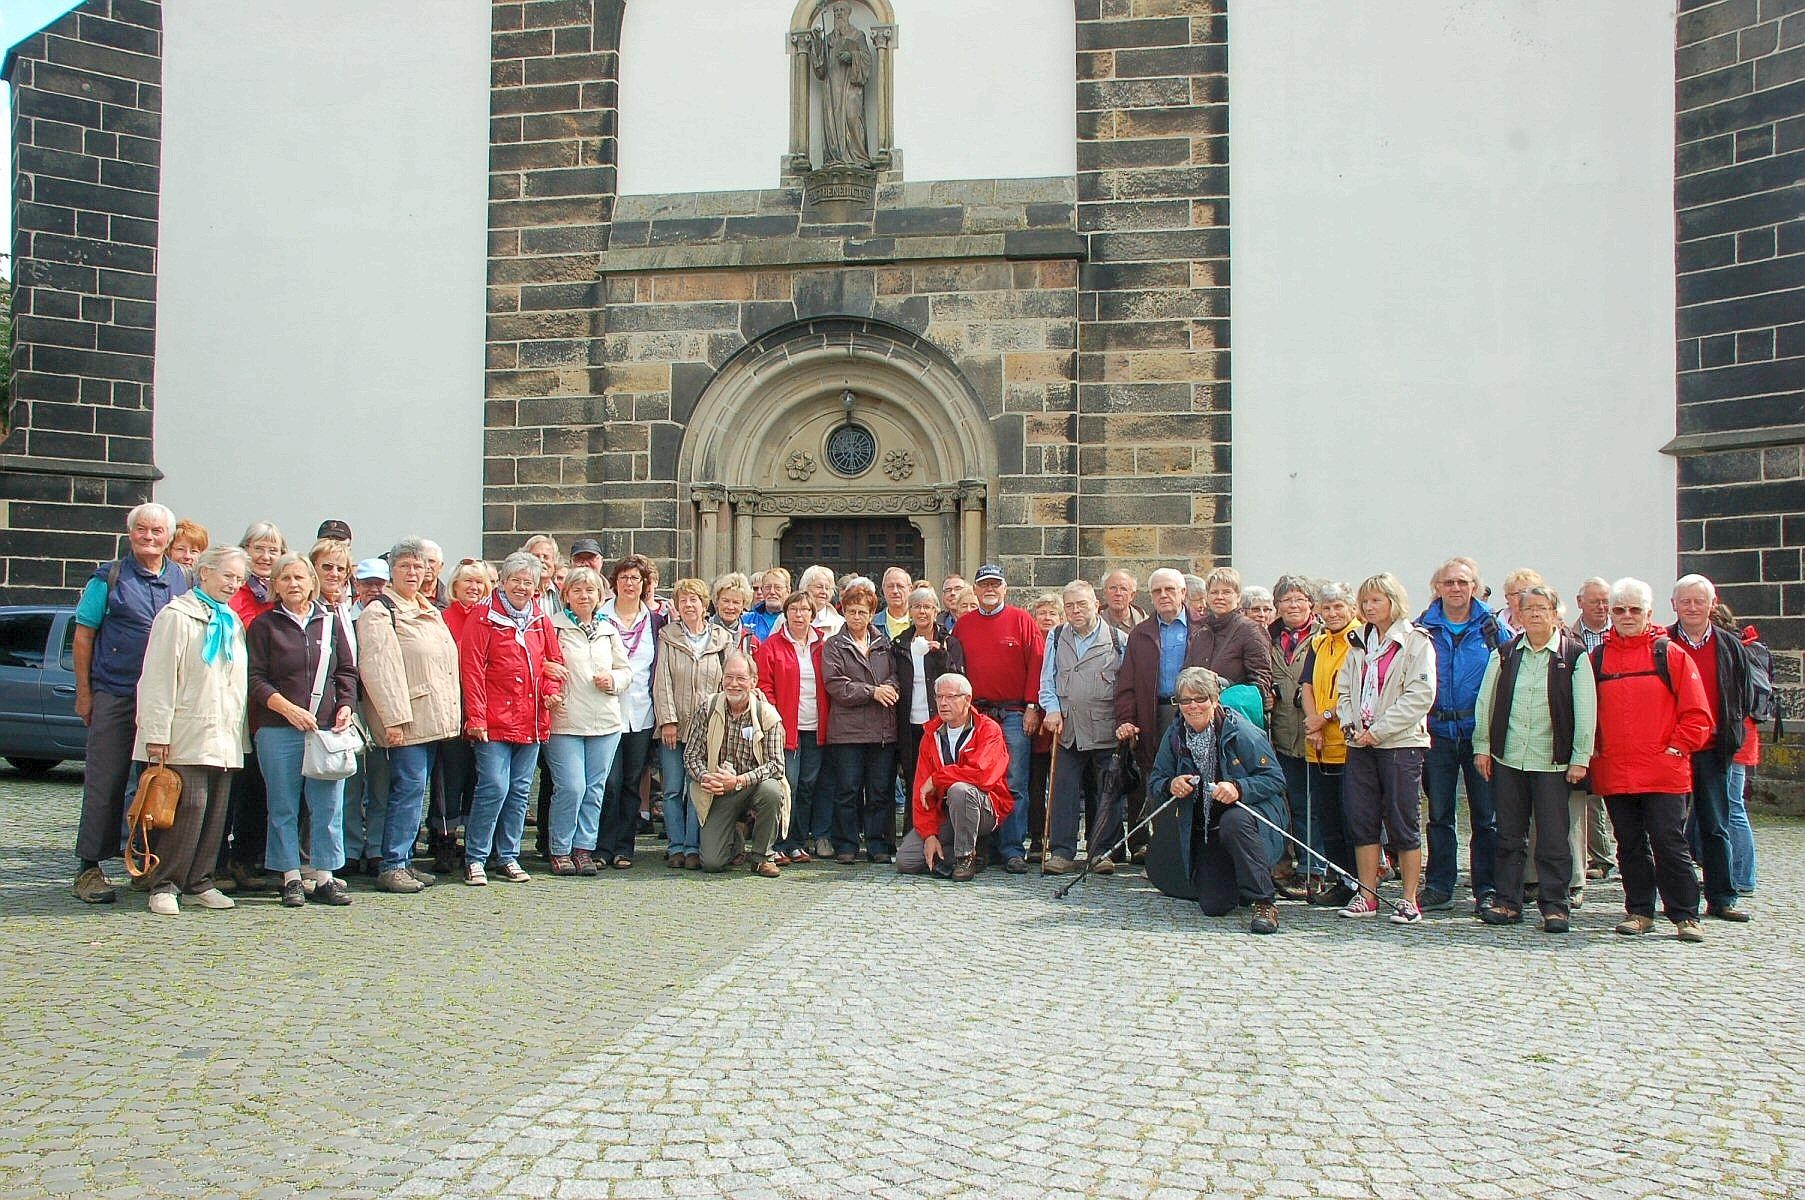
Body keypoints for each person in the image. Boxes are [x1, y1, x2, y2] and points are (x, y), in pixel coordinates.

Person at [70, 502, 192, 904]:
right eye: (142, 530)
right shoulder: (109, 578)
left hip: (165, 701)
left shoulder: (184, 579)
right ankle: (90, 867)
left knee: (159, 784)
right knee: (106, 781)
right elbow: (84, 636)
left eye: (158, 532)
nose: (150, 537)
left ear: (169, 538)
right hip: (117, 693)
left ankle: (147, 862)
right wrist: (85, 694)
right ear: (130, 534)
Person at [1591, 577, 1713, 942]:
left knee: (1669, 842)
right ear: (1610, 613)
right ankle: (1639, 910)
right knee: (1628, 844)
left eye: (1634, 609)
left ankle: (1685, 915)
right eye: (1619, 609)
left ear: (1649, 612)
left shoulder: (1670, 654)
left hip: (1663, 770)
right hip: (1616, 768)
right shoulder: (1598, 658)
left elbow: (1698, 714)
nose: (1626, 616)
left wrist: (1677, 747)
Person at [134, 545, 251, 916]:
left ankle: (199, 881)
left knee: (216, 810)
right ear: (204, 573)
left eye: (239, 578)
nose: (233, 584)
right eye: (227, 576)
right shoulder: (176, 616)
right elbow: (158, 677)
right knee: (186, 806)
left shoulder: (231, 621)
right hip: (184, 730)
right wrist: (156, 733)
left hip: (223, 733)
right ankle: (165, 883)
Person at [1471, 585, 1595, 933]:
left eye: (1543, 608)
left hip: (1553, 762)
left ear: (1556, 614)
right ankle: (1508, 902)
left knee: (1555, 837)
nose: (1536, 614)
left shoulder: (1574, 656)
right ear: (1519, 616)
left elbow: (1586, 711)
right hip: (1510, 757)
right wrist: (1482, 747)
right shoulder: (1507, 653)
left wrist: (1579, 757)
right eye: (1529, 609)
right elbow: (1487, 702)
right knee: (1509, 835)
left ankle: (1555, 905)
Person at [248, 552, 358, 908]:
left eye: (299, 578)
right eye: (285, 579)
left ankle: (324, 875)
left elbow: (346, 672)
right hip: (279, 728)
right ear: (275, 586)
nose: (293, 584)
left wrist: (345, 706)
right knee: (282, 806)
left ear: (312, 582)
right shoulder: (265, 627)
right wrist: (286, 708)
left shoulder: (329, 622)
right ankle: (290, 876)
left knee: (327, 805)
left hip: (325, 729)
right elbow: (255, 678)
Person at [357, 537, 462, 894]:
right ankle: (391, 864)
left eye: (419, 567)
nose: (414, 573)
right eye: (405, 566)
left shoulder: (428, 608)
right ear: (391, 571)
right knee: (406, 790)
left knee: (416, 791)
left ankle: (404, 860)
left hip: (430, 717)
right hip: (407, 719)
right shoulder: (380, 612)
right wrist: (393, 720)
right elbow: (379, 669)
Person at [1147, 668, 1288, 934]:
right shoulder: (1175, 734)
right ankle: (1242, 881)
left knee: (1233, 821)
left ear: (1214, 700)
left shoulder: (1240, 731)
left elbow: (1275, 778)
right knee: (1214, 905)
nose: (1193, 706)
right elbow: (1156, 780)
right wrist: (1170, 784)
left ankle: (1264, 901)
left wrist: (1239, 788)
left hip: (1252, 817)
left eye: (1200, 698)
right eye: (1185, 701)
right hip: (1208, 830)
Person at [458, 552, 566, 885]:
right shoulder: (483, 617)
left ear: (536, 587)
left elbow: (554, 663)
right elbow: (472, 669)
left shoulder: (540, 618)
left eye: (528, 582)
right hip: (493, 718)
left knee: (520, 790)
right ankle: (476, 857)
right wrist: (475, 716)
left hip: (532, 719)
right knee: (493, 786)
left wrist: (550, 688)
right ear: (502, 581)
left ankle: (509, 855)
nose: (522, 587)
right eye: (516, 580)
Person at [1335, 573, 1436, 924]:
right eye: (1365, 601)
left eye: (1376, 600)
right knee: (1362, 819)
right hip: (1360, 743)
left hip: (1399, 743)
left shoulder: (1415, 641)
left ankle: (1409, 898)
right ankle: (1367, 893)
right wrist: (1351, 724)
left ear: (1394, 601)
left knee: (1403, 819)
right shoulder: (1359, 642)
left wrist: (1378, 731)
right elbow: (1344, 687)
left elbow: (1419, 696)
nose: (1369, 607)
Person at [1416, 556, 1507, 913]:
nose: (1456, 589)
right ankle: (1439, 884)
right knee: (1439, 814)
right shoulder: (1423, 628)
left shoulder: (1492, 628)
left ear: (1475, 587)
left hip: (1478, 733)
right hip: (1437, 731)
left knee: (1486, 816)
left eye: (1463, 583)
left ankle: (1486, 886)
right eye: (1449, 583)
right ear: (1437, 588)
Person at [1668, 573, 1754, 923]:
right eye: (1685, 601)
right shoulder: (1663, 643)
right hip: (1672, 748)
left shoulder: (1729, 645)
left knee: (1715, 824)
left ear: (1711, 604)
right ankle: (1674, 896)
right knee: (1668, 827)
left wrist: (1729, 733)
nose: (1691, 607)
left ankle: (1722, 897)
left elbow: (1743, 694)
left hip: (1713, 747)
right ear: (1674, 605)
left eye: (1698, 601)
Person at [951, 564, 1044, 873]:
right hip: (977, 715)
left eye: (995, 584)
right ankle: (981, 848)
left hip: (1016, 713)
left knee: (1015, 781)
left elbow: (1038, 664)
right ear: (975, 590)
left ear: (1005, 588)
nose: (989, 589)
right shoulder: (963, 625)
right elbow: (955, 668)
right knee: (978, 779)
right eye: (983, 585)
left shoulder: (1022, 620)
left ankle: (1012, 849)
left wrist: (1033, 705)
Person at [545, 566, 629, 877]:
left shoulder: (609, 629)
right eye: (577, 590)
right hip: (566, 720)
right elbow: (542, 662)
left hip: (604, 721)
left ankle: (584, 848)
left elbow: (626, 670)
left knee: (595, 789)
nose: (584, 595)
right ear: (566, 595)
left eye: (590, 591)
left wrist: (614, 680)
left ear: (599, 596)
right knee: (571, 786)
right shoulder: (553, 627)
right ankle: (560, 848)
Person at [1038, 580, 1127, 875]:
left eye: (1081, 604)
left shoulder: (1118, 639)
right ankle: (1062, 852)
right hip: (1068, 727)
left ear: (1096, 605)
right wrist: (1051, 709)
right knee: (1063, 790)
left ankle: (1100, 851)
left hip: (1104, 728)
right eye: (1070, 605)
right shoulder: (1056, 635)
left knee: (1105, 791)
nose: (1075, 610)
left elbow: (1126, 688)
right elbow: (1047, 679)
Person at [219, 520, 285, 891]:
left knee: (258, 786)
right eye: (258, 548)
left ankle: (248, 858)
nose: (265, 556)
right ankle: (217, 862)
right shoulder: (235, 593)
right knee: (231, 782)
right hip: (235, 697)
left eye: (272, 550)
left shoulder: (277, 595)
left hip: (266, 703)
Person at [1113, 567, 1195, 860]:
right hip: (1155, 712)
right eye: (1158, 591)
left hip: (1193, 712)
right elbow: (1127, 684)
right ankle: (1157, 849)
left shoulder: (1202, 629)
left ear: (1183, 593)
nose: (1163, 595)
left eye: (1170, 589)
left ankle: (1189, 848)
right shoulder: (1141, 633)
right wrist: (1126, 720)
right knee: (1154, 778)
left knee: (1191, 775)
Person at [898, 673, 1013, 880]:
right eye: (939, 697)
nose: (943, 703)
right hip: (946, 813)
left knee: (960, 790)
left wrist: (937, 779)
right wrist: (929, 834)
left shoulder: (988, 730)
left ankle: (965, 858)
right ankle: (972, 851)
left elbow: (982, 775)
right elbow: (920, 790)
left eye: (950, 697)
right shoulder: (931, 733)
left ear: (967, 700)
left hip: (985, 807)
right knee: (907, 860)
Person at [683, 652, 789, 875]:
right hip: (719, 790)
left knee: (772, 790)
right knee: (712, 863)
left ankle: (762, 857)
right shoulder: (708, 708)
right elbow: (691, 756)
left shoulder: (766, 714)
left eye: (741, 678)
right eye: (729, 677)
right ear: (722, 679)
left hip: (752, 784)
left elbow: (776, 765)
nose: (734, 684)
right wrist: (706, 778)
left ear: (753, 681)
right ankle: (737, 840)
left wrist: (739, 780)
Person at [653, 578, 732, 869]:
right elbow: (662, 681)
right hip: (676, 726)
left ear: (704, 604)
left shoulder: (721, 639)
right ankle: (675, 846)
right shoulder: (668, 636)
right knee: (673, 789)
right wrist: (668, 722)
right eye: (683, 600)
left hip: (710, 728)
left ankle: (694, 846)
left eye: (694, 599)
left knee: (699, 787)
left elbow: (731, 680)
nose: (688, 605)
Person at [821, 582, 900, 863]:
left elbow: (895, 675)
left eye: (862, 612)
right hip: (847, 731)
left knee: (879, 791)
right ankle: (846, 844)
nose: (857, 617)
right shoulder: (834, 645)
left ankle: (878, 845)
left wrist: (890, 687)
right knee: (848, 790)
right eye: (852, 611)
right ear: (844, 613)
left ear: (871, 614)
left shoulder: (884, 644)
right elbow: (836, 684)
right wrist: (873, 691)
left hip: (881, 731)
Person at [597, 554, 664, 870]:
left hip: (640, 713)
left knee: (631, 783)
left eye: (635, 578)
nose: (629, 583)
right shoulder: (599, 618)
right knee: (608, 783)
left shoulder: (653, 621)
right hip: (605, 712)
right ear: (615, 583)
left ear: (644, 585)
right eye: (623, 577)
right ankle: (601, 846)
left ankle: (625, 847)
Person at [1298, 581, 1358, 907]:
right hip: (1319, 742)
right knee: (1328, 815)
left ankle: (1360, 882)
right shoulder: (1318, 643)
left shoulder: (1360, 640)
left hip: (1350, 743)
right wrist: (1313, 722)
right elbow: (1307, 684)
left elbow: (1357, 690)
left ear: (1351, 609)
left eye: (1339, 607)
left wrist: (1326, 716)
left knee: (1352, 816)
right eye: (1327, 607)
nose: (1333, 613)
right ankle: (1341, 880)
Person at [756, 590, 828, 864]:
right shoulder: (772, 646)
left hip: (815, 727)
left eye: (805, 610)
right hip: (786, 729)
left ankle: (797, 841)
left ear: (813, 614)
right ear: (786, 613)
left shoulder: (822, 644)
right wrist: (776, 719)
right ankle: (778, 842)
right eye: (794, 610)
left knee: (809, 786)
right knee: (789, 785)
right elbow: (764, 685)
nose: (800, 615)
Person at [892, 585, 966, 834]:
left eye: (927, 607)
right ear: (909, 611)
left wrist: (941, 655)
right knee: (913, 775)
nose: (922, 611)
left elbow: (958, 677)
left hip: (940, 720)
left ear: (936, 610)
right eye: (916, 607)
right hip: (910, 719)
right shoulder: (900, 642)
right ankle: (914, 830)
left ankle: (943, 829)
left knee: (940, 774)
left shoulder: (950, 642)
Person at [1265, 575, 1320, 898]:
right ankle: (1295, 867)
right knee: (1294, 803)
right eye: (1286, 600)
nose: (1293, 605)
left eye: (1299, 599)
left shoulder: (1322, 635)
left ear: (1310, 604)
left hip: (1317, 731)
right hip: (1284, 732)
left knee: (1317, 805)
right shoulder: (1270, 638)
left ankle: (1316, 869)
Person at [1568, 576, 1616, 880]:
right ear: (1579, 603)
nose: (1601, 607)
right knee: (1590, 795)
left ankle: (1612, 855)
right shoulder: (1569, 636)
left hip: (1614, 720)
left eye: (1604, 601)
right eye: (1595, 601)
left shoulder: (1620, 631)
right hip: (1583, 721)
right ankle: (1601, 856)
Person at [1187, 568, 1274, 716]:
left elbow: (1260, 683)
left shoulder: (1251, 631)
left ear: (1238, 597)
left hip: (1235, 718)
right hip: (1200, 718)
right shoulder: (1200, 633)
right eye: (1214, 592)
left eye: (1226, 592)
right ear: (1207, 597)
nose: (1219, 597)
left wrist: (1225, 687)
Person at [710, 572, 762, 656]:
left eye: (736, 602)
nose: (730, 607)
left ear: (743, 606)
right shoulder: (703, 634)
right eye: (725, 601)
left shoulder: (752, 642)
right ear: (716, 602)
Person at [742, 568, 789, 641]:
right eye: (767, 587)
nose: (772, 592)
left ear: (788, 591)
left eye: (778, 588)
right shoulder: (746, 619)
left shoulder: (795, 620)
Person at [800, 564, 844, 637]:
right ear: (805, 587)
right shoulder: (788, 618)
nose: (823, 592)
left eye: (827, 588)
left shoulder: (839, 623)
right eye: (819, 587)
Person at [1100, 568, 1147, 636]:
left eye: (1123, 589)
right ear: (1105, 593)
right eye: (1113, 588)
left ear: (1132, 595)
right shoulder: (1094, 623)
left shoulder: (1146, 625)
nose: (1118, 593)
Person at [880, 566, 914, 640]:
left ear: (910, 589)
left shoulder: (920, 623)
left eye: (900, 586)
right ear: (883, 590)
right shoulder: (872, 625)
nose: (895, 591)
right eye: (890, 586)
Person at [419, 539, 449, 609]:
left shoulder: (451, 599)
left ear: (441, 566)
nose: (427, 566)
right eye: (422, 561)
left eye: (431, 561)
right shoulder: (405, 597)